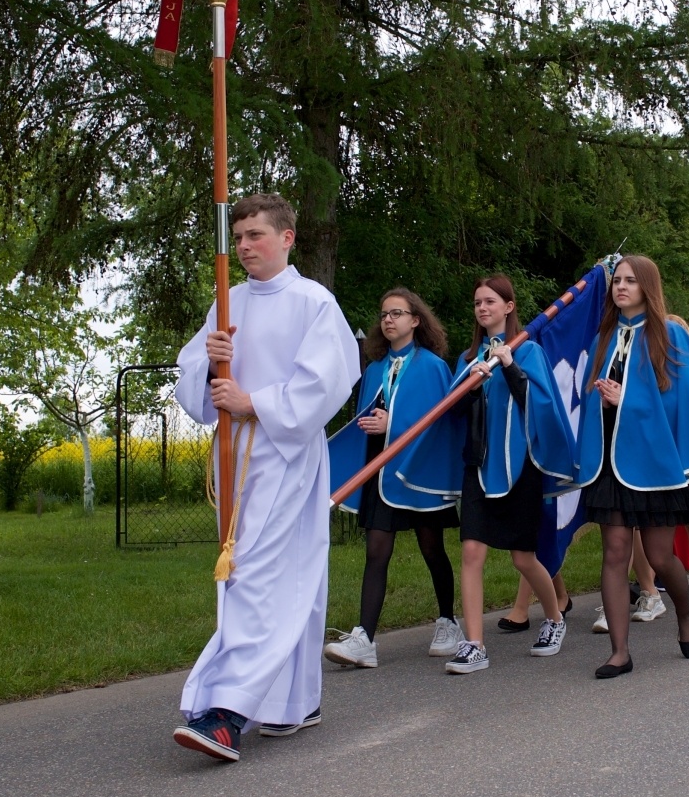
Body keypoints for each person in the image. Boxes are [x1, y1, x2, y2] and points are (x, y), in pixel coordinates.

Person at [171, 193, 359, 762]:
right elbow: (193, 384)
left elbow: (328, 381)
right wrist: (211, 360)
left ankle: (227, 710)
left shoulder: (313, 303)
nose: (245, 246)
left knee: (258, 576)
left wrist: (253, 401)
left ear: (287, 238)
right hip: (236, 460)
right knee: (271, 577)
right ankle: (291, 701)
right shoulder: (227, 301)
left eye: (255, 235)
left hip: (285, 457)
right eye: (239, 237)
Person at [400, 275, 578, 674]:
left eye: (490, 301)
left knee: (524, 558)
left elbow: (542, 407)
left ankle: (554, 618)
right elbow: (451, 413)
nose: (482, 308)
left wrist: (510, 368)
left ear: (508, 307)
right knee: (471, 552)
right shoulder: (469, 358)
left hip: (520, 467)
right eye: (478, 302)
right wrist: (469, 386)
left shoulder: (528, 351)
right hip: (478, 465)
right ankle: (474, 644)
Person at [571, 255, 689, 677]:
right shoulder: (605, 336)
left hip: (656, 463)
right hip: (612, 463)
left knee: (661, 556)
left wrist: (625, 398)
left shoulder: (671, 334)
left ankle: (684, 614)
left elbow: (677, 400)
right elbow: (591, 398)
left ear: (647, 286)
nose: (621, 287)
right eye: (617, 280)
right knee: (614, 552)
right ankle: (620, 652)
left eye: (630, 280)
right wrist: (602, 401)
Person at [325, 289, 460, 669]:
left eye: (397, 313)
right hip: (380, 474)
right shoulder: (373, 370)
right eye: (384, 314)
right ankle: (364, 639)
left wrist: (393, 423)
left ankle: (448, 622)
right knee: (376, 551)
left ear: (415, 320)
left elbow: (440, 423)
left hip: (419, 473)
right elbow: (364, 420)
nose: (388, 320)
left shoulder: (433, 367)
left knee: (432, 549)